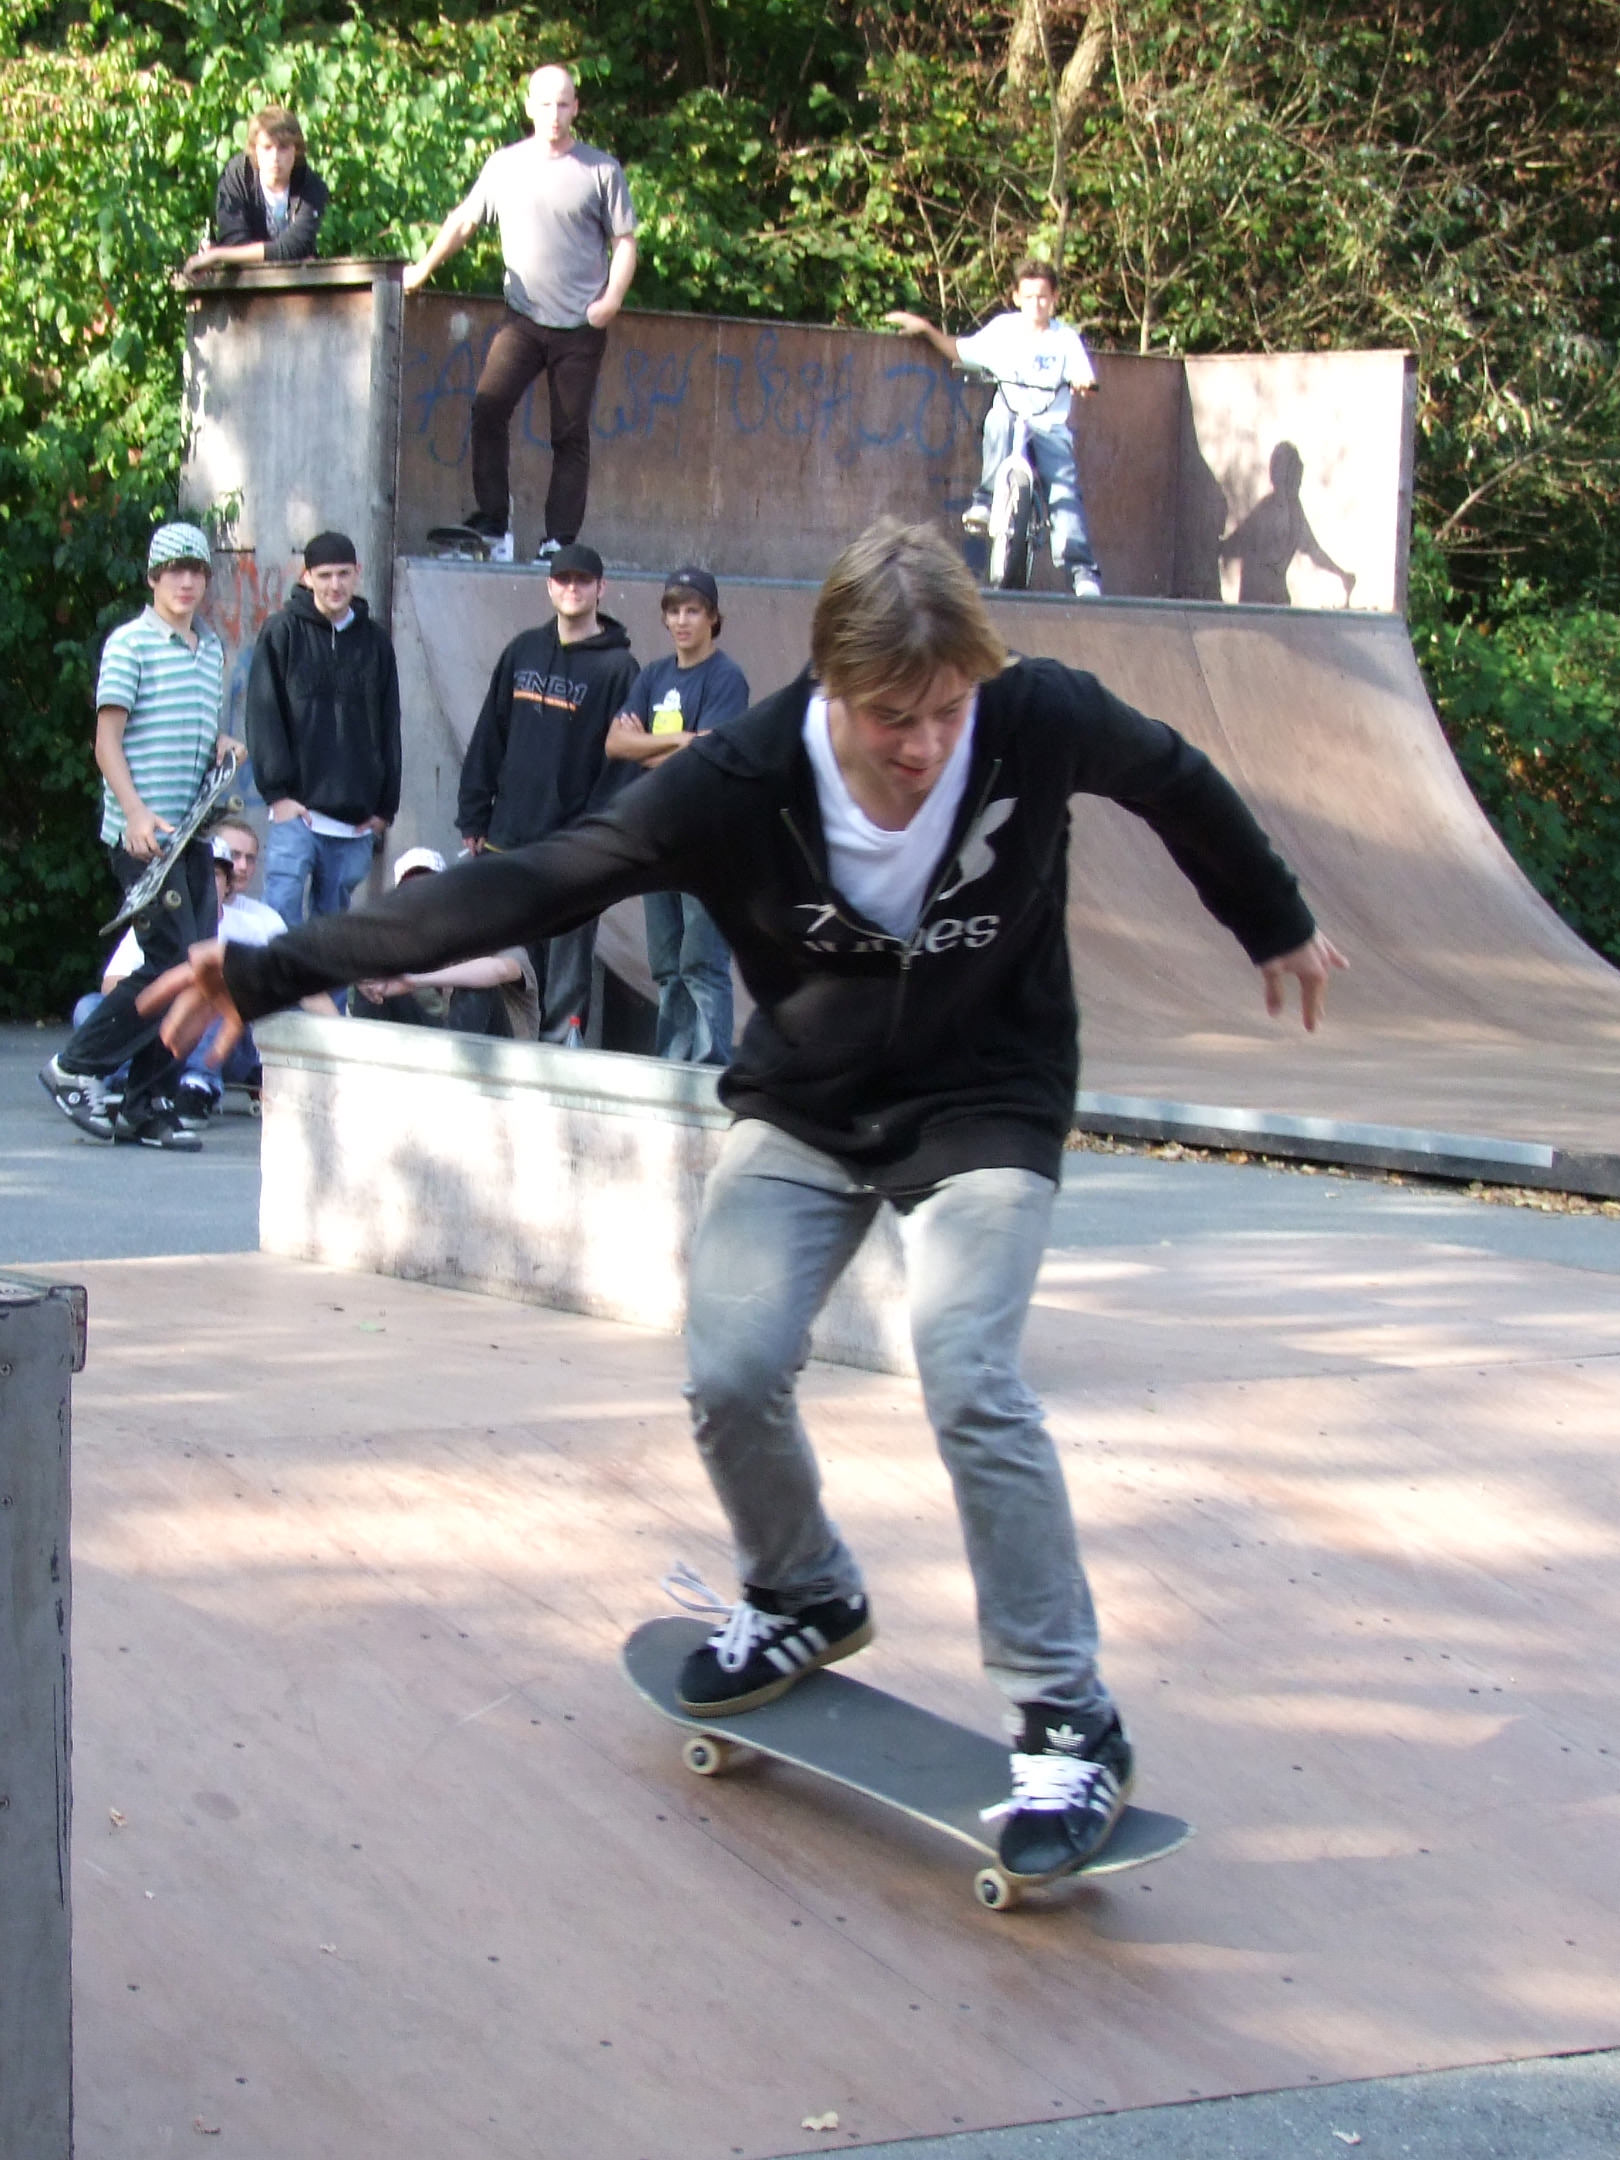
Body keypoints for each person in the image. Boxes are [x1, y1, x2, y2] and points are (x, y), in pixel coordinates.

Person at [143, 517, 1346, 1888]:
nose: (926, 746)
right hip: (808, 1102)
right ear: (833, 685)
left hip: (987, 1097)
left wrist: (1273, 915)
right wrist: (277, 968)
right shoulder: (736, 779)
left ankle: (1068, 1717)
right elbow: (526, 884)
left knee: (968, 1368)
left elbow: (1176, 776)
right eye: (894, 718)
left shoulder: (1034, 716)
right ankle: (801, 1588)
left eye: (947, 711)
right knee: (730, 1366)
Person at [39, 520, 242, 1153]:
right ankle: (75, 1066)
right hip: (144, 841)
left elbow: (190, 729)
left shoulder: (210, 649)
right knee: (168, 964)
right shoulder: (130, 644)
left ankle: (148, 1102)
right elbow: (107, 743)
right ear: (153, 577)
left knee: (201, 972)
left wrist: (222, 745)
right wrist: (133, 814)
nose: (186, 582)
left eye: (196, 571)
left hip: (192, 836)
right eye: (174, 570)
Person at [402, 65, 637, 566]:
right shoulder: (505, 165)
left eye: (564, 104)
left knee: (569, 433)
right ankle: (493, 525)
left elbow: (625, 242)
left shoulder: (600, 170)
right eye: (545, 104)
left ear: (576, 108)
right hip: (524, 319)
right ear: (529, 107)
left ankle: (559, 541)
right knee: (489, 406)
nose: (554, 114)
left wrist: (612, 299)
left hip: (581, 325)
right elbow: (464, 222)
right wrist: (422, 269)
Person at [456, 541, 637, 1043]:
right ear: (549, 587)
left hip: (573, 851)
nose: (572, 588)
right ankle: (508, 1057)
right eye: (563, 579)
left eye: (583, 581)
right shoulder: (523, 651)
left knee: (565, 976)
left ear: (601, 588)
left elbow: (621, 767)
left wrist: (596, 840)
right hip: (508, 839)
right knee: (509, 963)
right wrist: (474, 815)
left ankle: (558, 1061)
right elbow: (490, 736)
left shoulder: (620, 670)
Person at [887, 257, 1105, 598]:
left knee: (1063, 493)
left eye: (1043, 297)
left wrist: (1082, 382)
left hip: (1049, 426)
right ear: (1016, 297)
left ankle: (1082, 572)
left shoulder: (1064, 339)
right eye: (1029, 296)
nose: (1036, 304)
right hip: (1012, 416)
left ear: (1055, 299)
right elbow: (960, 350)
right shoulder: (1003, 330)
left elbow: (1083, 374)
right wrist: (927, 330)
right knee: (998, 419)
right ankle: (986, 501)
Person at [605, 567, 749, 1064]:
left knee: (701, 962)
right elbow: (616, 743)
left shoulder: (726, 678)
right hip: (657, 834)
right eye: (674, 611)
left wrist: (650, 746)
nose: (682, 620)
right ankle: (673, 1068)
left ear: (713, 618)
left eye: (693, 610)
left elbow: (710, 755)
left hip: (705, 839)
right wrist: (683, 739)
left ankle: (708, 1073)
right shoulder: (653, 675)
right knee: (667, 964)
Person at [243, 530, 400, 935]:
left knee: (332, 939)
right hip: (297, 814)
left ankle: (327, 986)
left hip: (354, 821)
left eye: (343, 574)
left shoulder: (376, 643)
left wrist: (385, 808)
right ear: (307, 576)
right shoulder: (282, 632)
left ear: (358, 572)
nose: (335, 585)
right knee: (278, 927)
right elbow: (263, 714)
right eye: (325, 575)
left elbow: (389, 723)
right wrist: (278, 795)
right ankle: (280, 985)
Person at [350, 848, 543, 1037]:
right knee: (372, 975)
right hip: (450, 1039)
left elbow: (499, 970)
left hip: (504, 1050)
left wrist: (413, 981)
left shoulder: (495, 936)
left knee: (474, 985)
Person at [184, 107, 329, 276]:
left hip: (299, 280)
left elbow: (295, 247)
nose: (275, 157)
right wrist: (230, 252)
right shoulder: (237, 177)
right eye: (267, 147)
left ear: (296, 150)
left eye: (283, 147)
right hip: (245, 282)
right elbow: (235, 242)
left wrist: (218, 254)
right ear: (254, 149)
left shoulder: (311, 185)